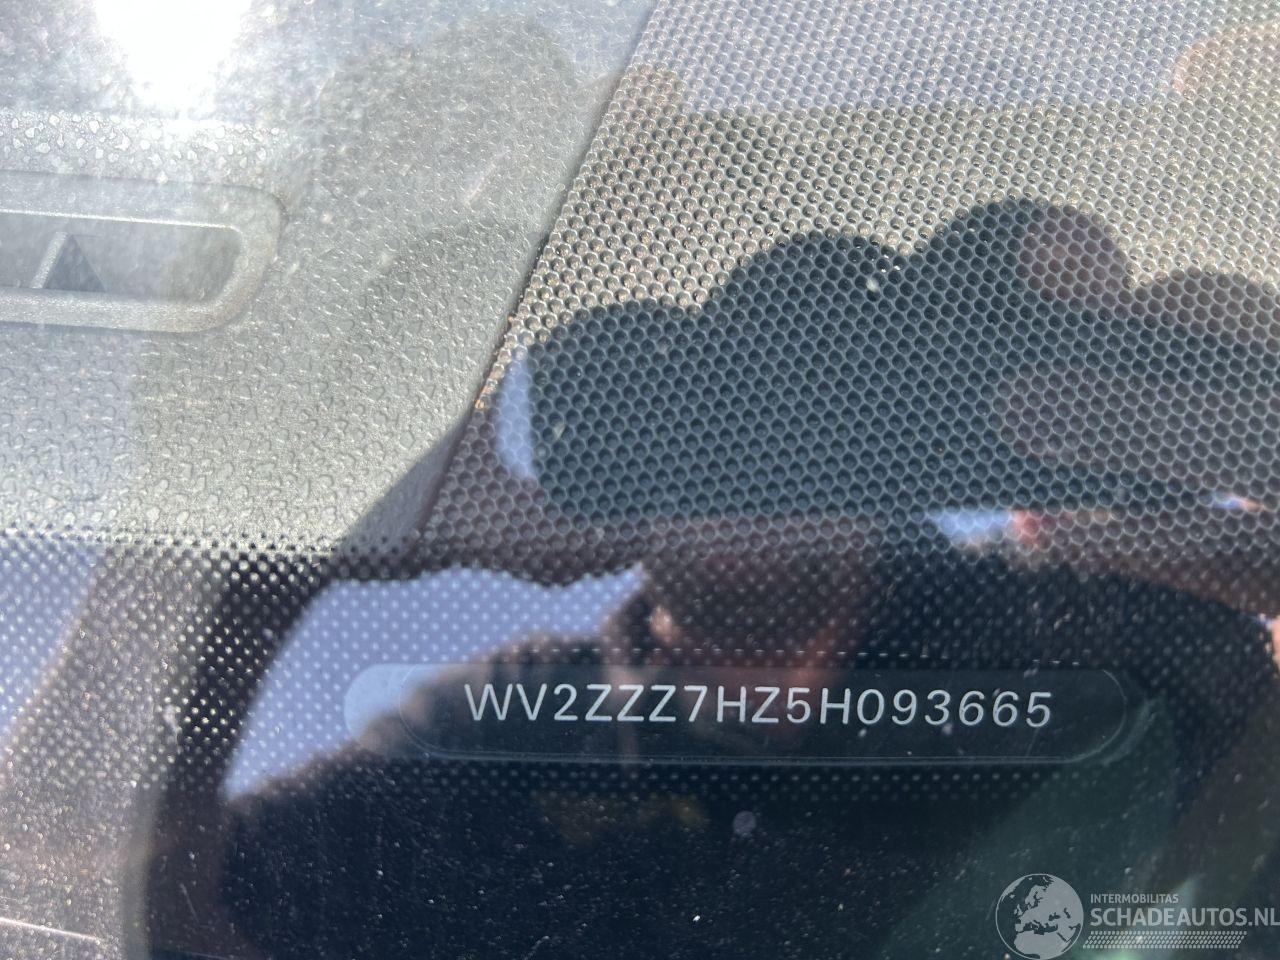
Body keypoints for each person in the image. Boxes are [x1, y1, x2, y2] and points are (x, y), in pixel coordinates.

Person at [151, 201, 1280, 959]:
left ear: (892, 438)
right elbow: (122, 903)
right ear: (597, 462)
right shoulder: (507, 726)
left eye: (807, 410)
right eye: (676, 410)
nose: (738, 467)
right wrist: (309, 517)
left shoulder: (1079, 610)